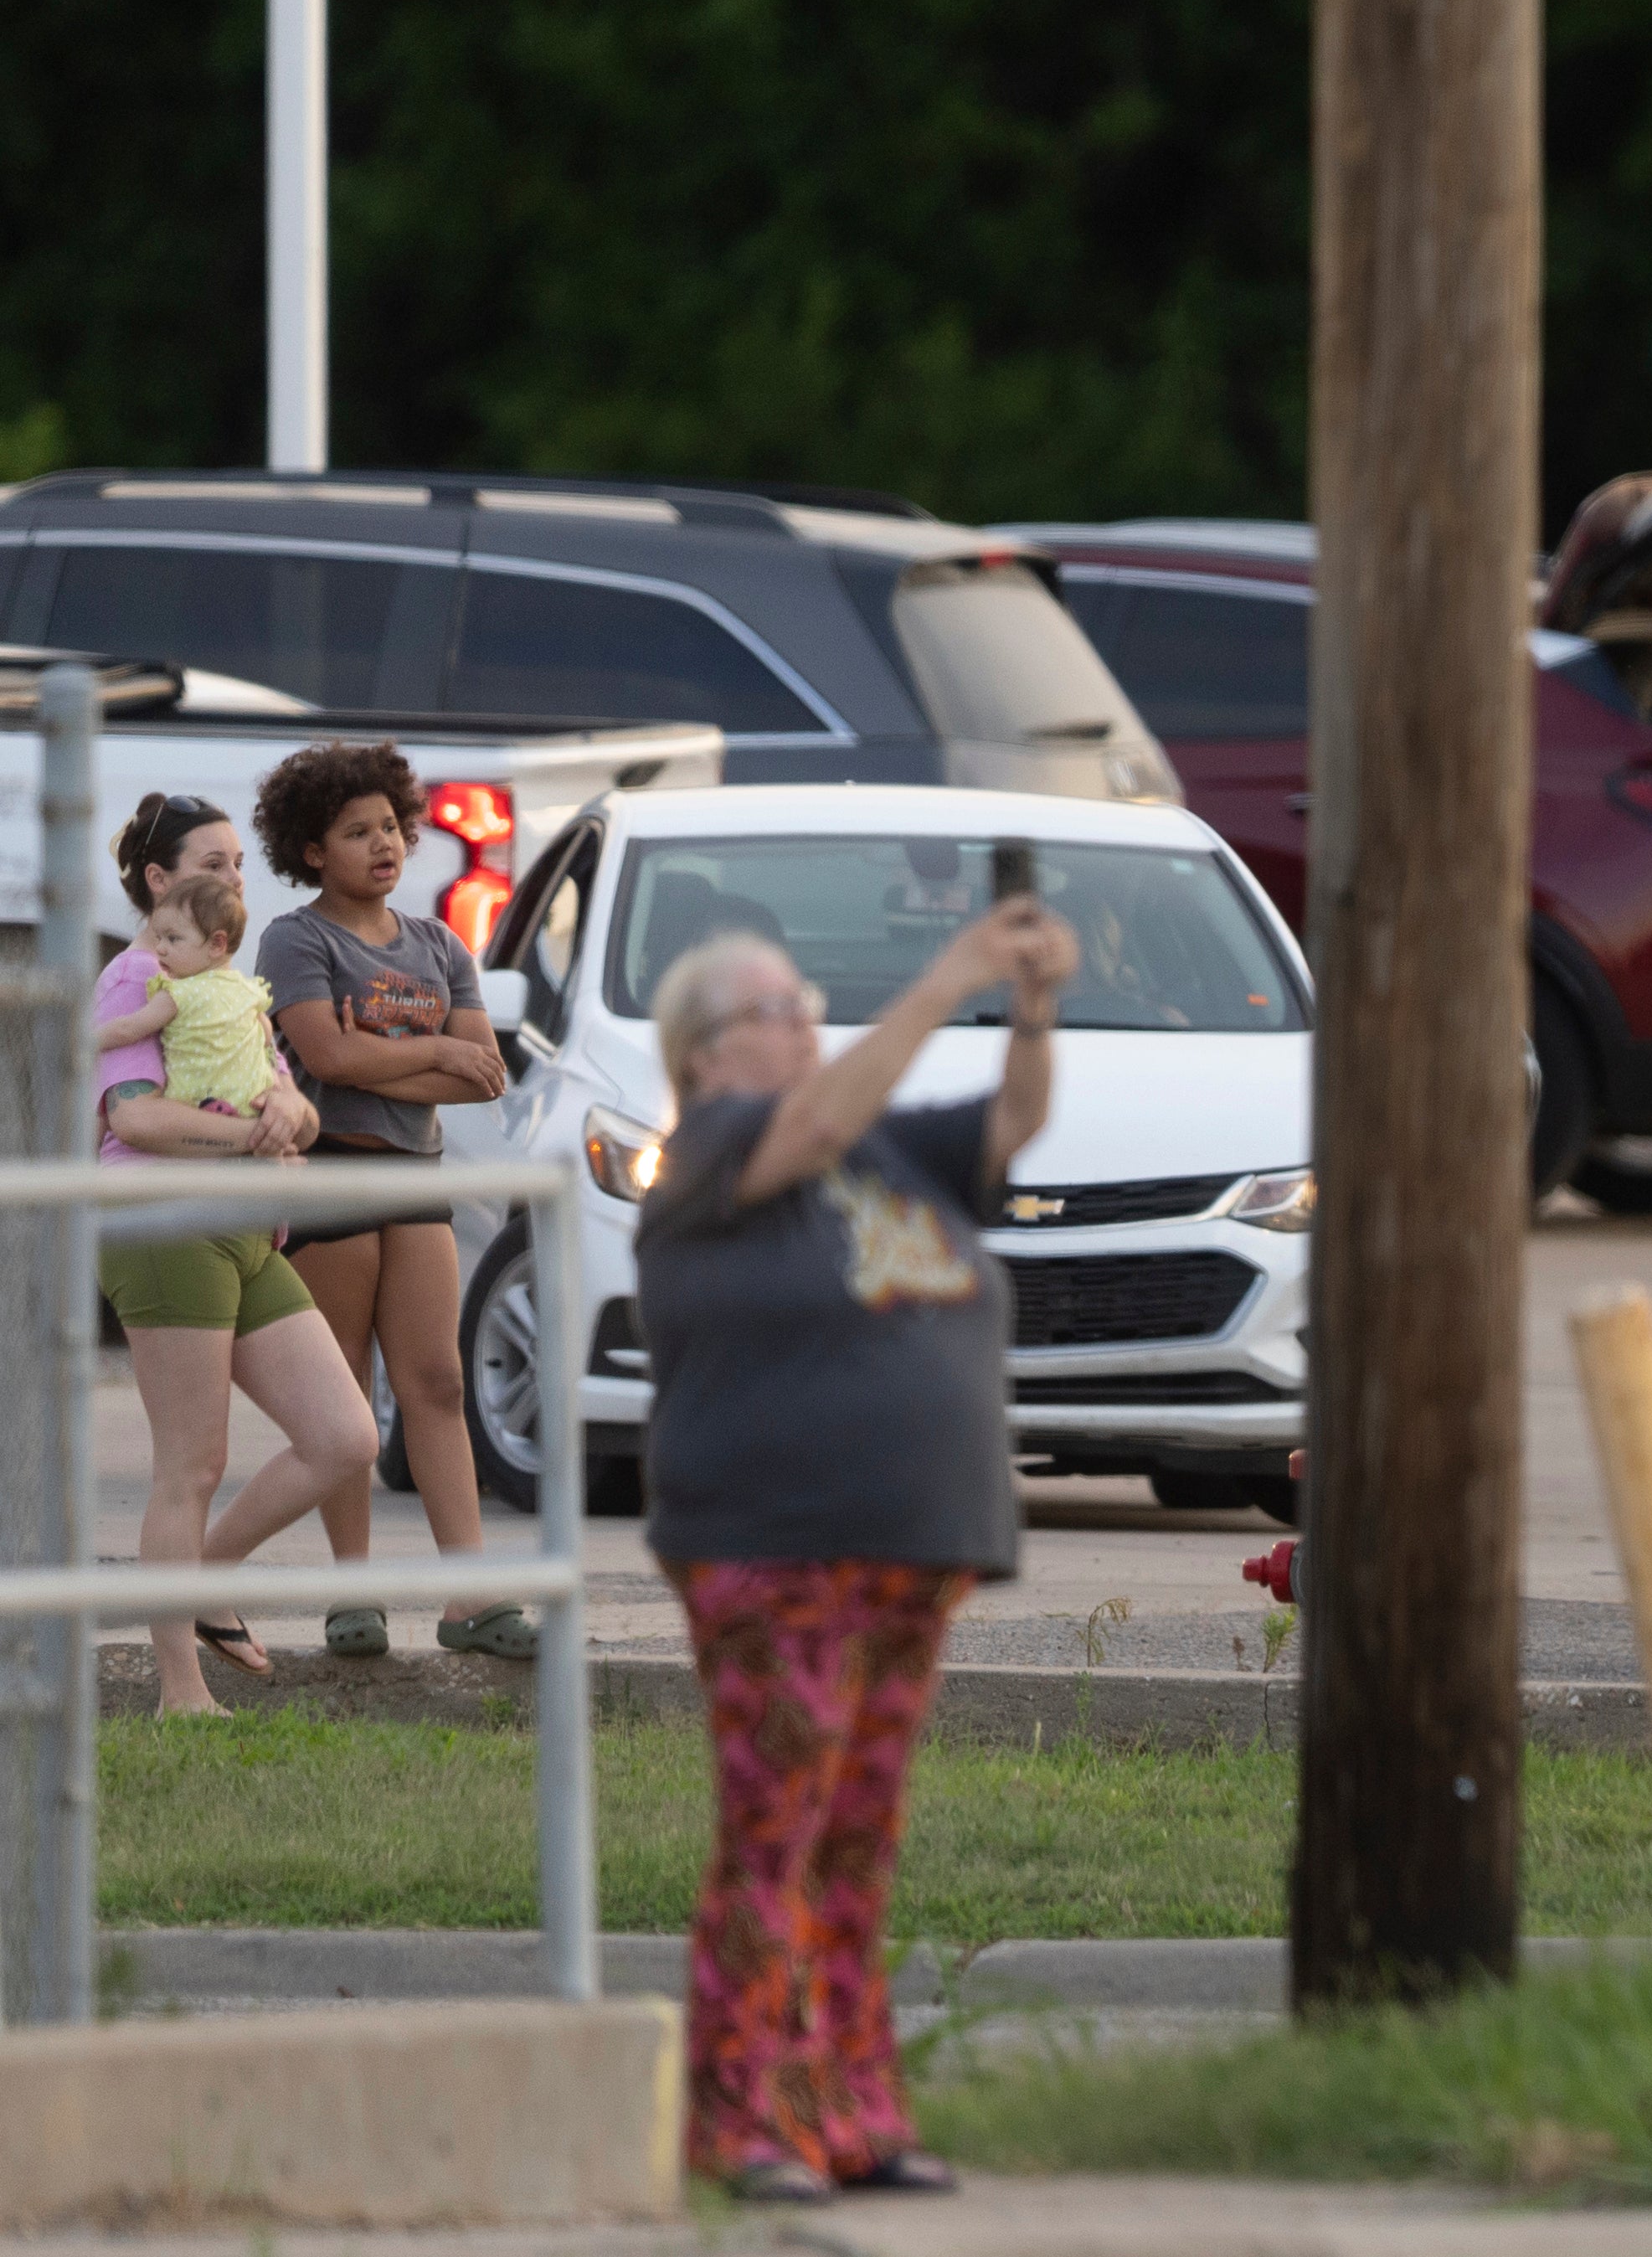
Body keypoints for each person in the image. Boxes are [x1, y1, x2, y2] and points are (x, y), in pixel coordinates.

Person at [636, 894, 1077, 2203]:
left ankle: (849, 2110)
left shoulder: (881, 1145)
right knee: (777, 1831)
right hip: (776, 1545)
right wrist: (960, 969)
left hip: (906, 1545)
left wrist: (1035, 1005)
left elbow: (1015, 1121)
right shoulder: (714, 1149)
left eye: (804, 1007)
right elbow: (813, 1119)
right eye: (776, 1012)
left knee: (855, 1838)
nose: (803, 1030)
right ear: (705, 1051)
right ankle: (738, 2118)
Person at [90, 793, 379, 1708]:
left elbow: (287, 1096)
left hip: (252, 1232)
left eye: (240, 866)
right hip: (168, 1227)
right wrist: (243, 1137)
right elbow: (132, 1112)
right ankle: (180, 1690)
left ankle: (203, 1579)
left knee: (344, 1436)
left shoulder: (228, 981)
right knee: (194, 1463)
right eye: (213, 866)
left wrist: (292, 1116)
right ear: (159, 880)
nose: (234, 882)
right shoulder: (138, 978)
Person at [251, 743, 531, 1660]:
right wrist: (436, 1051)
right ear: (311, 849)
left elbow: (483, 1078)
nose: (382, 844)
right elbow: (325, 1061)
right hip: (331, 1169)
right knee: (346, 1383)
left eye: (389, 827)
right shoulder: (297, 940)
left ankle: (470, 1598)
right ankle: (354, 1591)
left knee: (437, 1382)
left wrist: (409, 1053)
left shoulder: (439, 944)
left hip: (416, 1177)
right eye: (354, 831)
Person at [101, 872, 279, 1120]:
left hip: (195, 1107)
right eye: (159, 937)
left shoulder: (179, 993)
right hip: (251, 1108)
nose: (161, 948)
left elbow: (129, 1029)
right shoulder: (247, 990)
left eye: (173, 939)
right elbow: (266, 1033)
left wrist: (83, 1040)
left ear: (217, 944)